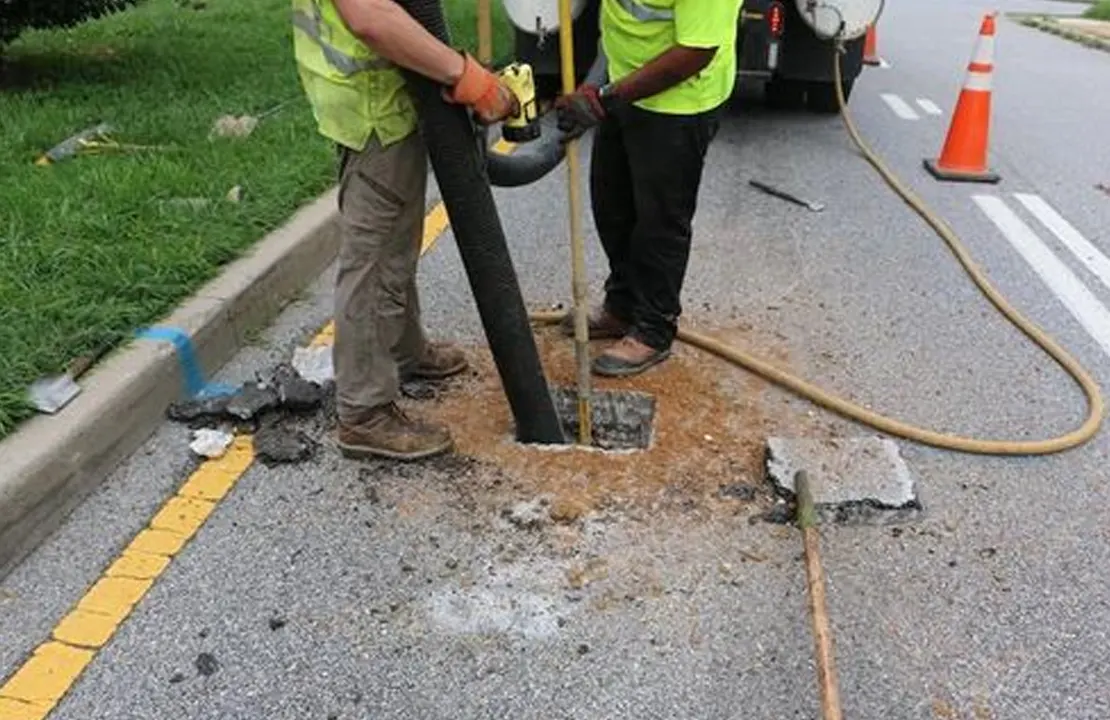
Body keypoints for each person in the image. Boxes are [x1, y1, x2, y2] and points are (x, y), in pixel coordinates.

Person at [292, 0, 519, 460]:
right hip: (371, 106)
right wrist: (468, 78)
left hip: (387, 97)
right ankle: (364, 412)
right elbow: (372, 18)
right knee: (373, 259)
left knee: (396, 240)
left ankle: (403, 349)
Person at [555, 0, 742, 377]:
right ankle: (622, 307)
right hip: (624, 82)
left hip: (680, 102)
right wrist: (599, 87)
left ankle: (654, 328)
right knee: (612, 204)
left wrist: (603, 100)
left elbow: (695, 52)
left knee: (659, 220)